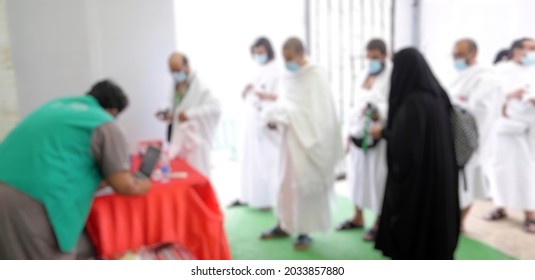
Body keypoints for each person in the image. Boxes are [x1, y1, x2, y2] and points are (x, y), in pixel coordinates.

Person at [0, 80, 151, 260]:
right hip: (35, 201)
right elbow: (126, 186)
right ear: (113, 111)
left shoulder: (57, 106)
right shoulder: (105, 123)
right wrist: (145, 184)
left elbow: (66, 161)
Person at [372, 48, 460, 259]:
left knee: (415, 229)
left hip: (418, 182)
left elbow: (404, 147)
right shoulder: (438, 95)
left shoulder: (413, 103)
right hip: (441, 174)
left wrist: (382, 131)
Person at [260, 37, 344, 250]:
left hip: (309, 142)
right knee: (284, 182)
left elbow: (320, 113)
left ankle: (305, 231)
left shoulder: (315, 76)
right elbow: (286, 102)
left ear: (301, 54)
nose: (288, 63)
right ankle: (283, 224)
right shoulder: (289, 76)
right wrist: (277, 120)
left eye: (290, 58)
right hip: (290, 140)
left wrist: (289, 115)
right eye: (285, 58)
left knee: (304, 186)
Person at [337, 39, 392, 242]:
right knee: (357, 176)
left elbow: (393, 104)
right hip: (358, 132)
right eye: (368, 57)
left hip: (379, 135)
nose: (371, 61)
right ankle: (357, 216)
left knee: (378, 180)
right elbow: (356, 103)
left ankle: (379, 222)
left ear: (385, 56)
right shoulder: (365, 74)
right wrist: (349, 131)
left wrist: (379, 113)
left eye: (375, 58)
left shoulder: (392, 75)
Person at [447, 39, 502, 232]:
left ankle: (461, 222)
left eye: (460, 55)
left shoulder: (487, 78)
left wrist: (457, 106)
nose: (456, 59)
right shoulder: (460, 75)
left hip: (474, 140)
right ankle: (451, 220)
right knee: (455, 185)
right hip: (453, 137)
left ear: (473, 54)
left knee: (469, 184)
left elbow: (481, 111)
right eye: (454, 55)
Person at [486, 38, 535, 233]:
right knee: (501, 169)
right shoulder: (501, 71)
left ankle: (530, 213)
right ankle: (500, 206)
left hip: (530, 129)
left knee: (528, 171)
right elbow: (491, 96)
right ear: (516, 51)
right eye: (530, 49)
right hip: (506, 128)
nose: (533, 53)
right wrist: (510, 95)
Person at [231, 37, 282, 210]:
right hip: (253, 120)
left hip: (267, 120)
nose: (259, 56)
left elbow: (280, 96)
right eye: (256, 53)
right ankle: (248, 195)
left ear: (268, 51)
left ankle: (266, 199)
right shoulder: (258, 69)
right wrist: (247, 90)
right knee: (250, 161)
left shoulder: (276, 70)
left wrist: (265, 97)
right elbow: (253, 91)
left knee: (266, 163)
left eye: (261, 52)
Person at [156, 52, 222, 177]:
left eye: (177, 70)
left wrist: (190, 114)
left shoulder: (201, 85)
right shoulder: (176, 84)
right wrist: (166, 111)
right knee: (181, 174)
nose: (175, 74)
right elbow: (172, 103)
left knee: (198, 174)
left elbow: (215, 108)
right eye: (172, 71)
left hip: (196, 142)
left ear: (186, 67)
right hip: (179, 139)